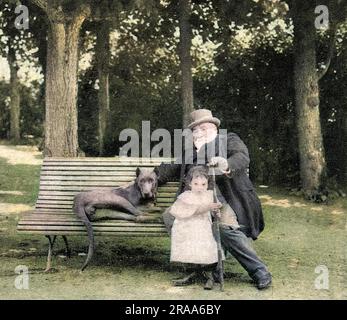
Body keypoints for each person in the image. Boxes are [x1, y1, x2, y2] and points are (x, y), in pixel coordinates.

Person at [155, 109, 272, 290]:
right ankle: (197, 266)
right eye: (195, 130)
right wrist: (148, 177)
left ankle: (259, 271)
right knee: (171, 217)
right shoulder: (190, 153)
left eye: (204, 128)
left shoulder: (229, 140)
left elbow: (241, 157)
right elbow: (168, 169)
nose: (199, 133)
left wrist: (225, 163)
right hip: (196, 202)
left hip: (225, 200)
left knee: (224, 228)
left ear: (214, 128)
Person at [169, 166, 223, 289]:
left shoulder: (209, 195)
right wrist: (208, 207)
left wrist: (216, 212)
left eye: (203, 184)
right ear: (189, 184)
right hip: (187, 224)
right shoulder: (186, 196)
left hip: (204, 225)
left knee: (206, 241)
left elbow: (214, 212)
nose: (200, 187)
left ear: (207, 184)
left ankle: (209, 274)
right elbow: (189, 211)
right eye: (196, 184)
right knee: (189, 242)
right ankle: (191, 271)